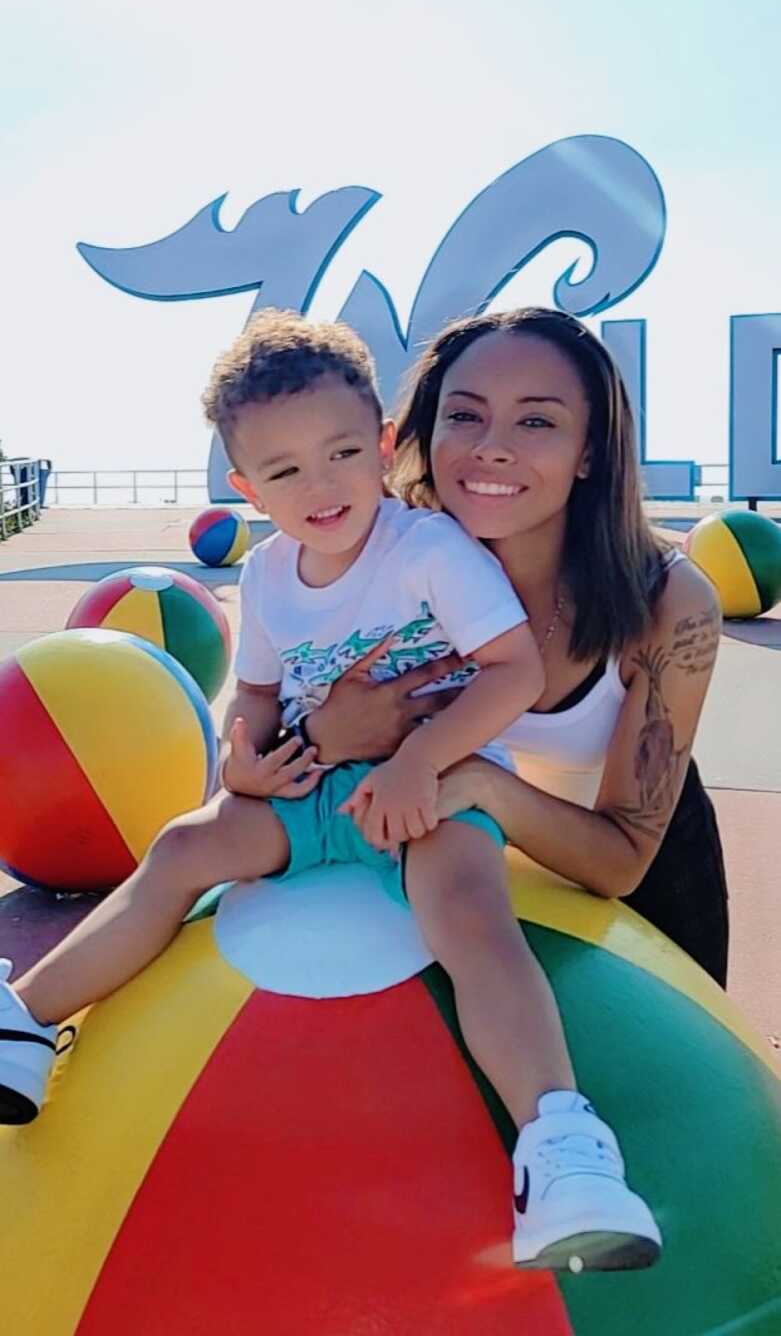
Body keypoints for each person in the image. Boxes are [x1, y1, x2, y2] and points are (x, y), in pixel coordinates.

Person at [0, 310, 662, 1275]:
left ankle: (561, 1147)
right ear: (243, 487)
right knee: (184, 850)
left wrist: (420, 763)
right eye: (284, 471)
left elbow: (510, 671)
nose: (320, 486)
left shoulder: (429, 550)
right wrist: (245, 762)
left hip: (429, 780)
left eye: (343, 452)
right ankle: (24, 1019)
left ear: (385, 446)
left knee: (470, 912)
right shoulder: (267, 574)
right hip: (312, 789)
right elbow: (259, 696)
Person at [311, 306, 728, 990]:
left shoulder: (667, 602)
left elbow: (621, 861)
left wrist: (477, 781)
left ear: (589, 449)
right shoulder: (377, 557)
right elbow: (256, 742)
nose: (491, 447)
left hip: (636, 899)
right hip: (452, 882)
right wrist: (325, 732)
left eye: (535, 421)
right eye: (465, 415)